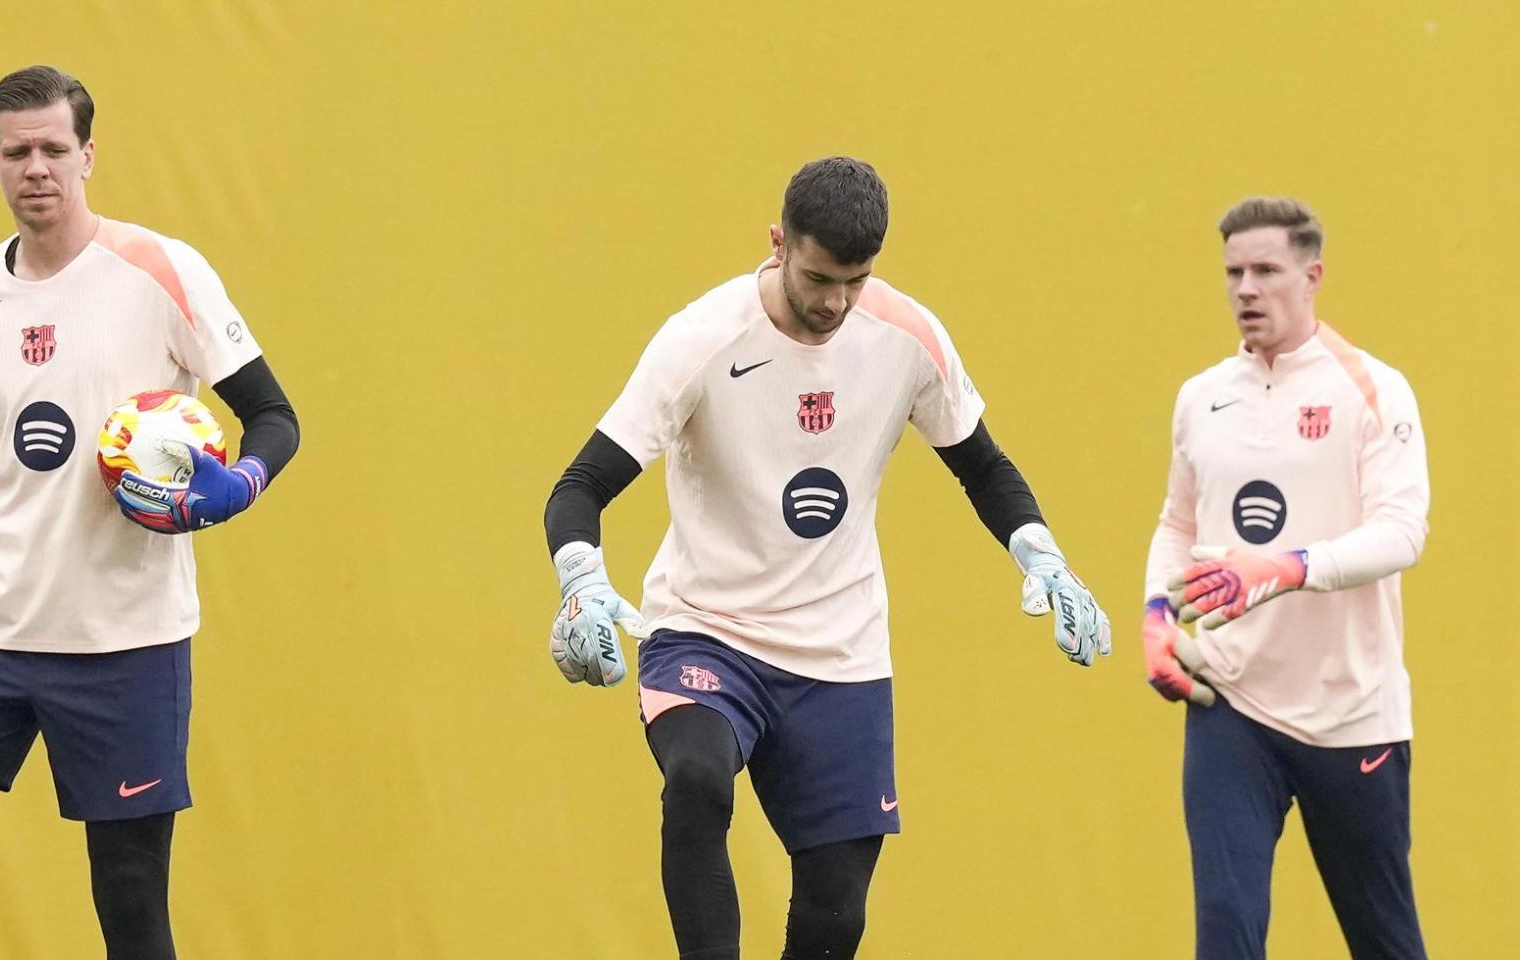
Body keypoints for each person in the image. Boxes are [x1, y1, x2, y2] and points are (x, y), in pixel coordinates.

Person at [543, 156, 1111, 960]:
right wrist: (581, 581)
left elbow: (983, 466)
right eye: (818, 277)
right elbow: (579, 487)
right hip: (708, 630)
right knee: (697, 785)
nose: (836, 303)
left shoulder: (906, 337)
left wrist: (1046, 560)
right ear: (778, 243)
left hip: (841, 653)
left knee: (836, 911)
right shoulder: (702, 338)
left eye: (857, 280)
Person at [0, 65, 300, 960]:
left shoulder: (161, 270)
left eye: (53, 149)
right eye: (16, 151)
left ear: (88, 156)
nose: (36, 167)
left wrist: (240, 483)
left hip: (127, 640)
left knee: (128, 901)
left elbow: (275, 415)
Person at [1141, 197, 1429, 959]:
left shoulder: (1373, 389)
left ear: (1313, 275)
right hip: (1231, 703)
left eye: (1266, 271)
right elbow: (1177, 523)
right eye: (1233, 272)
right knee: (1227, 931)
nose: (1246, 289)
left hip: (1350, 713)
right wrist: (1154, 620)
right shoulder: (1201, 397)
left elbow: (1402, 533)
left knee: (1385, 941)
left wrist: (1286, 567)